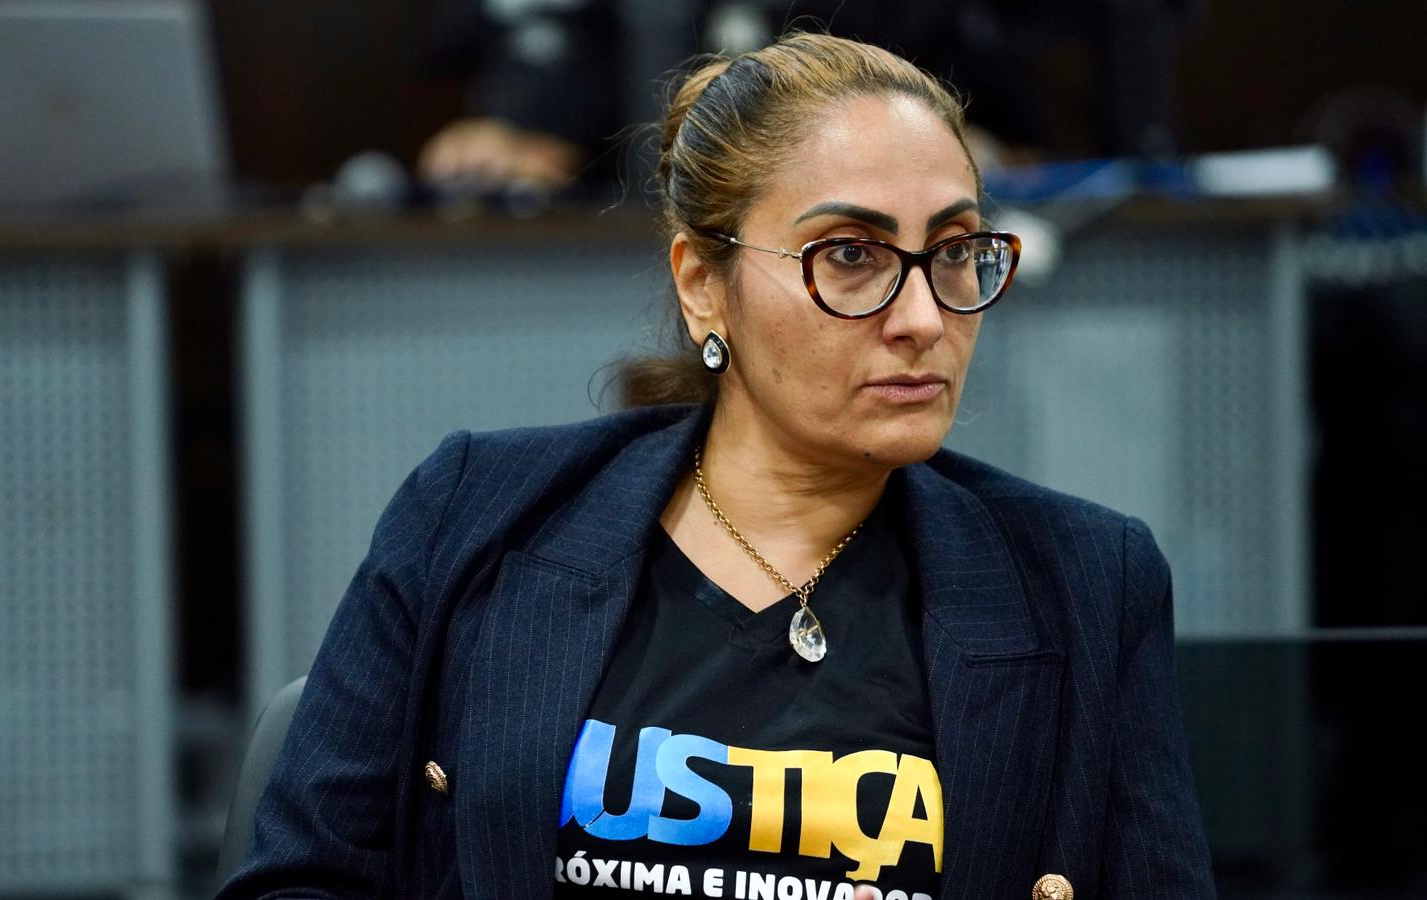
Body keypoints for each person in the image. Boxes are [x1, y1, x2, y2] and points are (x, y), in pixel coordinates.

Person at [220, 32, 1214, 900]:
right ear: (704, 283)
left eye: (954, 251)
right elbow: (303, 879)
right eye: (850, 256)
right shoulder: (475, 514)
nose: (923, 317)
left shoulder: (1083, 580)